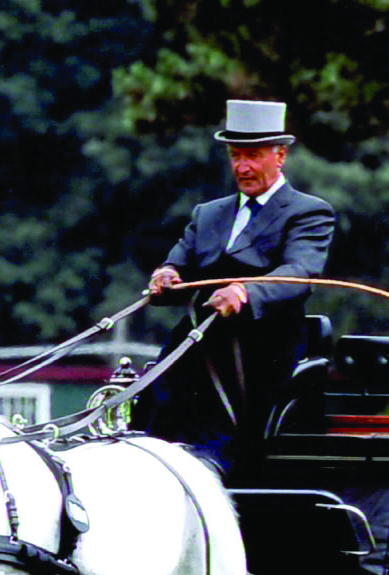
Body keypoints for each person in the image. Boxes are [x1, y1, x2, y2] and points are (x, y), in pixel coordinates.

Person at [139, 99, 336, 476]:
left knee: (228, 431)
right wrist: (166, 274)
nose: (242, 167)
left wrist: (244, 292)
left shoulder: (309, 212)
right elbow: (179, 262)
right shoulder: (208, 213)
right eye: (235, 156)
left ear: (280, 156)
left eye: (253, 156)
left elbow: (300, 271)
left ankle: (214, 472)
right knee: (154, 398)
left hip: (265, 347)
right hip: (200, 341)